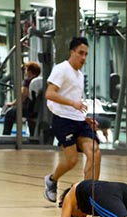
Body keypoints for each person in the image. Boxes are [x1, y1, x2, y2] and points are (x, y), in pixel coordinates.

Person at [43, 37, 101, 203]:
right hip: (62, 120)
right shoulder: (62, 69)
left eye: (86, 54)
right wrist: (72, 104)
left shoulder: (80, 75)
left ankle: (90, 195)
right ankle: (52, 180)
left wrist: (85, 118)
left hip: (78, 120)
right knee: (72, 160)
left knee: (95, 152)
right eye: (80, 53)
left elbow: (75, 100)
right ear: (72, 52)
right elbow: (50, 93)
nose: (83, 57)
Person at [3, 61, 42, 136]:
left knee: (9, 113)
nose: (25, 72)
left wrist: (12, 104)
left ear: (30, 71)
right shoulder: (39, 82)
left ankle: (6, 136)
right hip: (36, 110)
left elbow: (22, 97)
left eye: (26, 70)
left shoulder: (28, 82)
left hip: (28, 109)